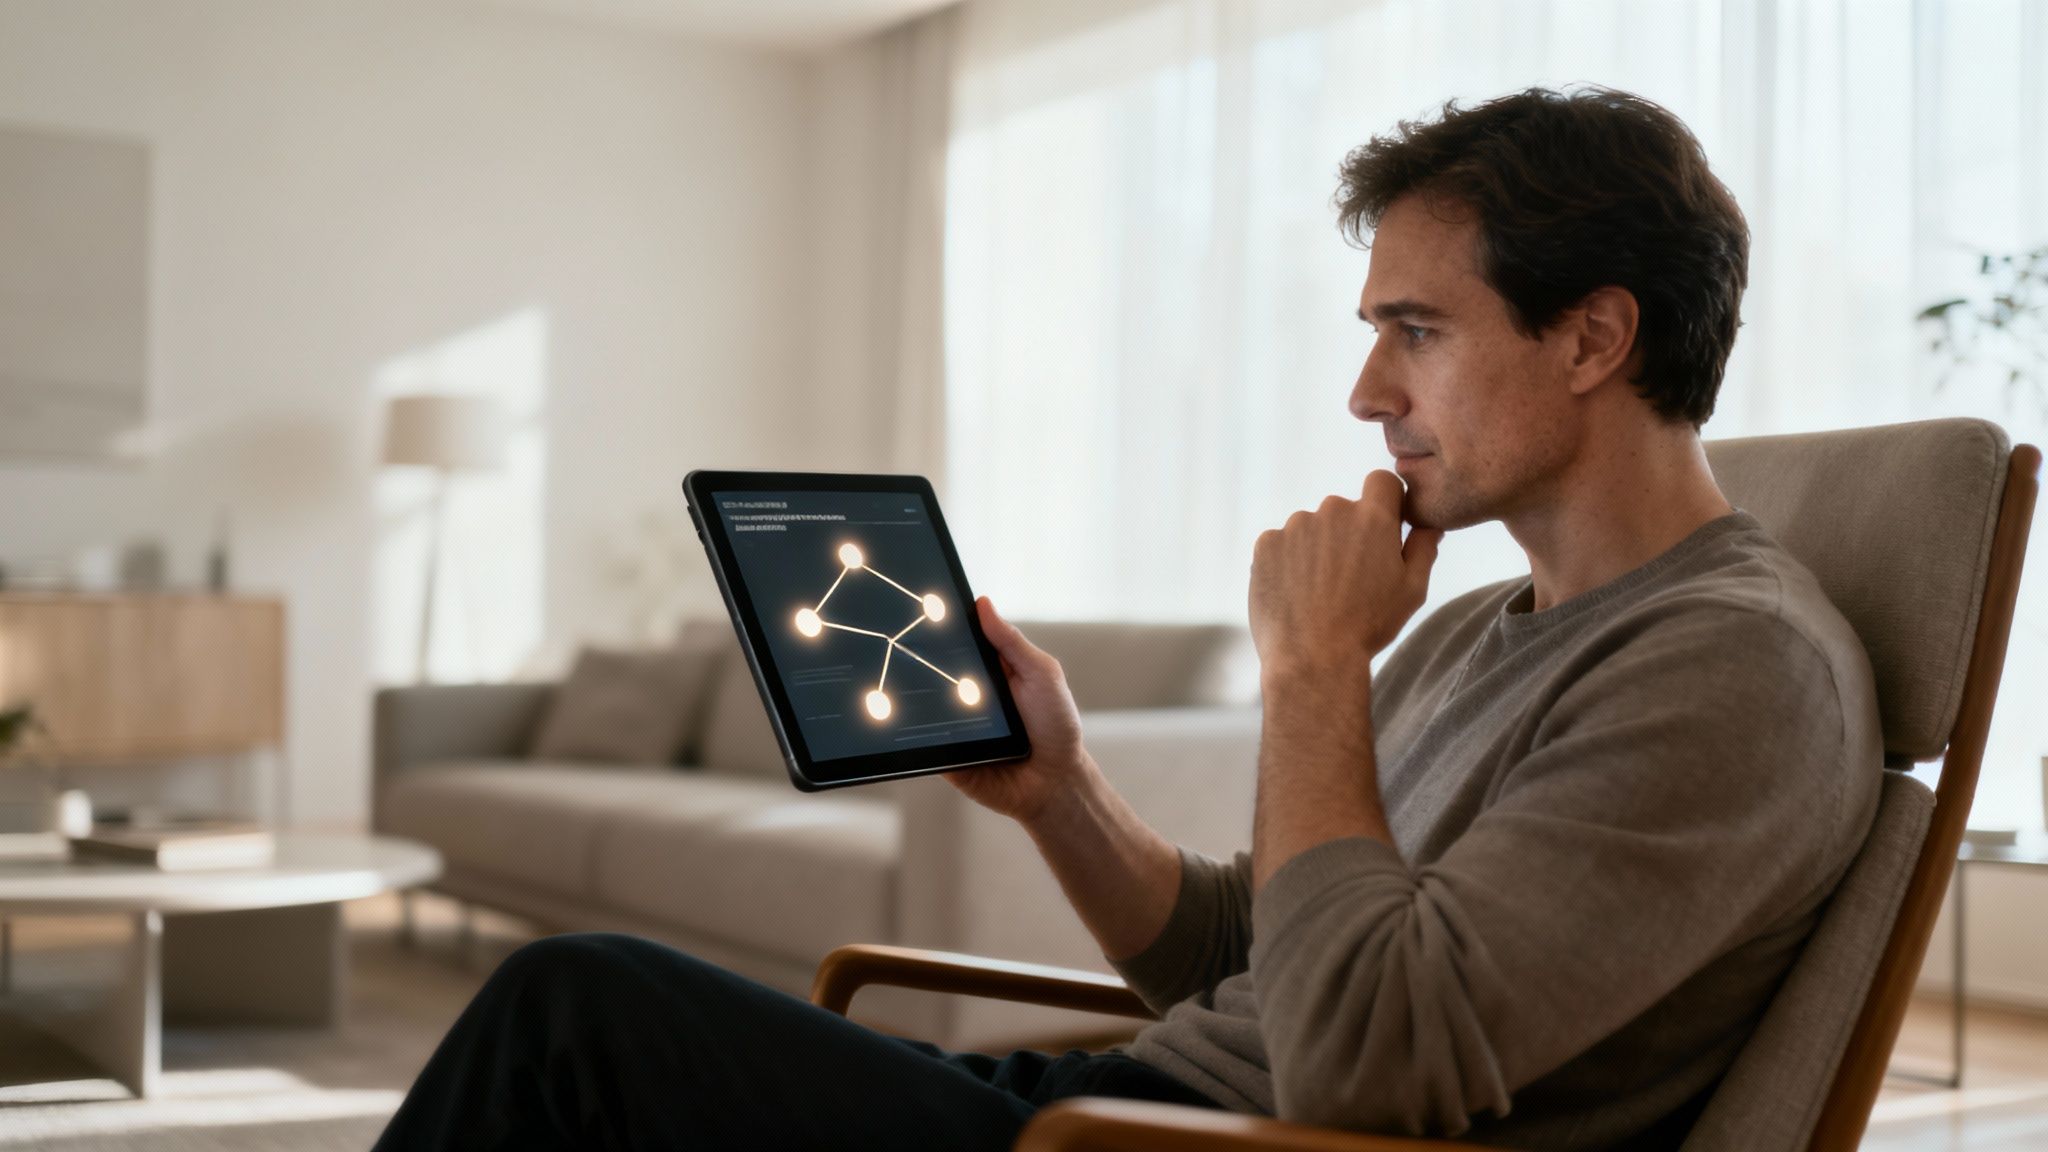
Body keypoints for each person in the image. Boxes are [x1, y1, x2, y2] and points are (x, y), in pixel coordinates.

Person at [373, 86, 1881, 1151]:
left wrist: (1308, 670)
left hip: (1215, 1149)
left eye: (1416, 333)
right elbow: (1268, 961)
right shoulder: (1484, 627)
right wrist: (1062, 793)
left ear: (1594, 338)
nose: (1368, 395)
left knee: (577, 1016)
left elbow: (1366, 1065)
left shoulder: (1734, 668)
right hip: (1133, 1110)